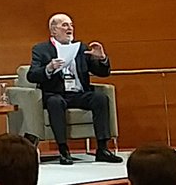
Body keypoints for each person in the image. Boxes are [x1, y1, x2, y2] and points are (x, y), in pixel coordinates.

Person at [26, 13, 122, 164]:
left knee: (100, 98)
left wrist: (102, 58)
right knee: (55, 103)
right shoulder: (41, 49)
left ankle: (102, 149)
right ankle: (63, 150)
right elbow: (32, 75)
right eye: (64, 25)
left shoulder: (80, 48)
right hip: (56, 94)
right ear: (53, 30)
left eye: (71, 25)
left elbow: (103, 73)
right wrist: (49, 68)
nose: (69, 28)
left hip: (78, 93)